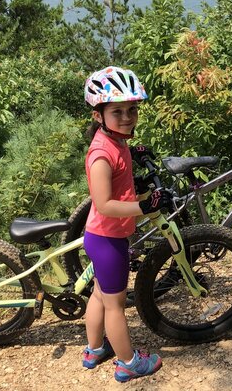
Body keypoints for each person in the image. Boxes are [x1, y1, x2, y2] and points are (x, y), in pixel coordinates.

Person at [80, 66, 171, 382]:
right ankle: (128, 362)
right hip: (108, 239)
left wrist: (133, 151)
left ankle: (94, 350)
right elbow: (104, 203)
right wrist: (143, 206)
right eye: (117, 111)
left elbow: (120, 163)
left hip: (101, 236)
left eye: (132, 109)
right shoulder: (100, 155)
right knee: (115, 306)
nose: (127, 117)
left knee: (99, 296)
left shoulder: (114, 142)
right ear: (98, 116)